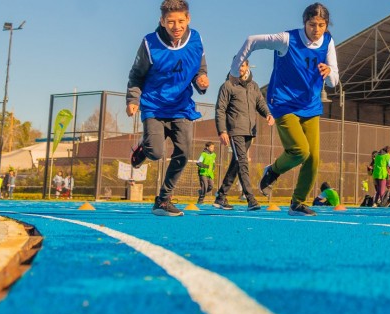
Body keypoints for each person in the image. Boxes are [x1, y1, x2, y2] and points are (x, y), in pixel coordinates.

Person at [232, 3, 339, 216]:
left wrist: (329, 72)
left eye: (321, 25)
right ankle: (272, 171)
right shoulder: (287, 39)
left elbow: (334, 81)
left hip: (310, 105)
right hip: (283, 103)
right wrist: (236, 67)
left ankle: (297, 203)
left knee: (314, 158)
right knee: (300, 150)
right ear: (304, 23)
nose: (316, 30)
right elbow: (252, 40)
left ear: (326, 25)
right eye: (312, 24)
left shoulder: (327, 42)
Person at [128, 0, 210, 217]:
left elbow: (198, 68)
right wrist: (132, 99)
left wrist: (201, 79)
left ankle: (163, 200)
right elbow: (136, 75)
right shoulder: (149, 43)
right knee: (156, 153)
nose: (176, 26)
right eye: (171, 22)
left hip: (181, 107)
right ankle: (145, 148)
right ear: (162, 21)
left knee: (183, 153)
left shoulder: (196, 39)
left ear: (188, 19)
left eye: (181, 21)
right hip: (154, 105)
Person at [212, 59, 273, 211]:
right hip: (235, 130)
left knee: (237, 162)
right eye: (236, 65)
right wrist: (222, 131)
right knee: (243, 162)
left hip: (250, 131)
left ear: (247, 66)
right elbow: (220, 109)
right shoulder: (228, 85)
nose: (239, 68)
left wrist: (268, 114)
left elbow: (260, 103)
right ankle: (250, 198)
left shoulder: (254, 86)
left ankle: (221, 197)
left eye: (242, 65)